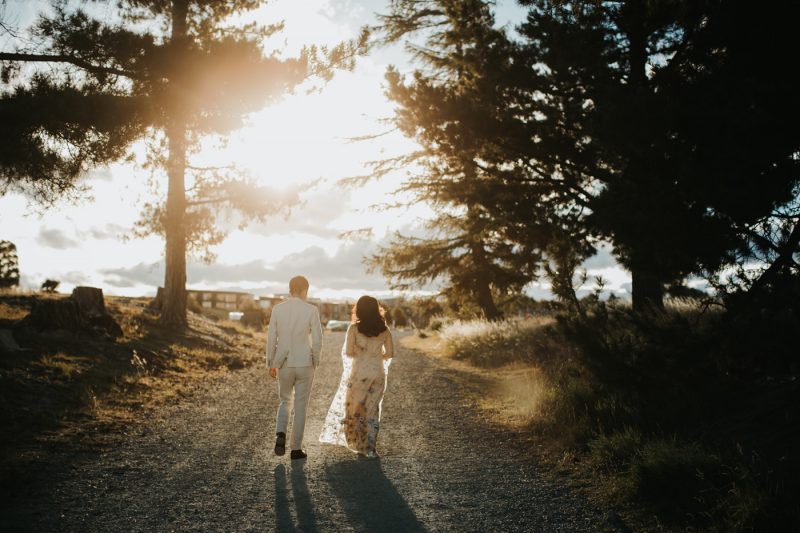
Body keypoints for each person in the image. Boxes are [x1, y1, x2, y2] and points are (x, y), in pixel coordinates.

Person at [319, 295, 393, 458]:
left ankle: (359, 445)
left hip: (359, 373)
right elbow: (390, 354)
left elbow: (349, 352)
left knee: (355, 409)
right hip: (377, 374)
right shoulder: (384, 330)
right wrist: (375, 354)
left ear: (358, 310)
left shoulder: (353, 329)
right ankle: (371, 449)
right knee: (373, 410)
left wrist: (362, 352)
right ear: (376, 310)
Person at [266, 275, 323, 460]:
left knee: (284, 401)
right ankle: (296, 449)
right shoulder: (311, 310)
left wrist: (271, 362)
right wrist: (315, 359)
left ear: (290, 289)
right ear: (305, 290)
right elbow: (317, 338)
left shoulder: (278, 309)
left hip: (284, 362)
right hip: (305, 362)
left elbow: (271, 337)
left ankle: (280, 433)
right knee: (300, 405)